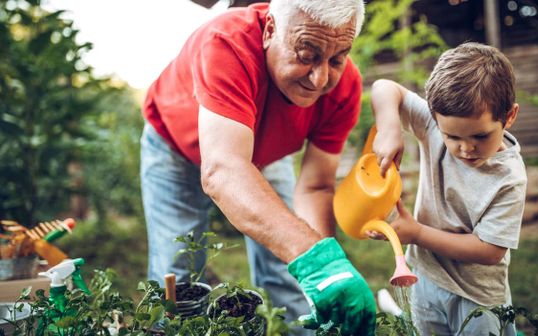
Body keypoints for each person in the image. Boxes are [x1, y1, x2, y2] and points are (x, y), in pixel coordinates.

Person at [140, 0, 376, 334]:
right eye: (306, 54)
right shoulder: (227, 43)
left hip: (263, 155)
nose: (320, 78)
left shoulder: (344, 87)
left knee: (291, 269)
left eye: (336, 59)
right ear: (269, 31)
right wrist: (312, 258)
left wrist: (328, 268)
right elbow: (223, 169)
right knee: (179, 275)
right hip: (175, 147)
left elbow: (316, 186)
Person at [369, 42, 526, 335]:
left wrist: (416, 233)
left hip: (477, 298)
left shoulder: (509, 177)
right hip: (426, 279)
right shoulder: (432, 125)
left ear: (510, 116)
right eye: (452, 136)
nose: (466, 148)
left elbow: (490, 250)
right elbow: (383, 87)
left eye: (480, 135)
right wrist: (390, 127)